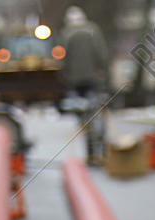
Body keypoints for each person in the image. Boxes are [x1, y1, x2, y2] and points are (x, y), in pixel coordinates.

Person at [60, 7, 108, 164]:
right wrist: (102, 70)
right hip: (92, 79)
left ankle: (90, 150)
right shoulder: (93, 30)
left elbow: (63, 57)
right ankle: (99, 150)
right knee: (95, 112)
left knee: (83, 114)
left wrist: (65, 75)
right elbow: (101, 53)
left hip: (75, 81)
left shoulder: (67, 34)